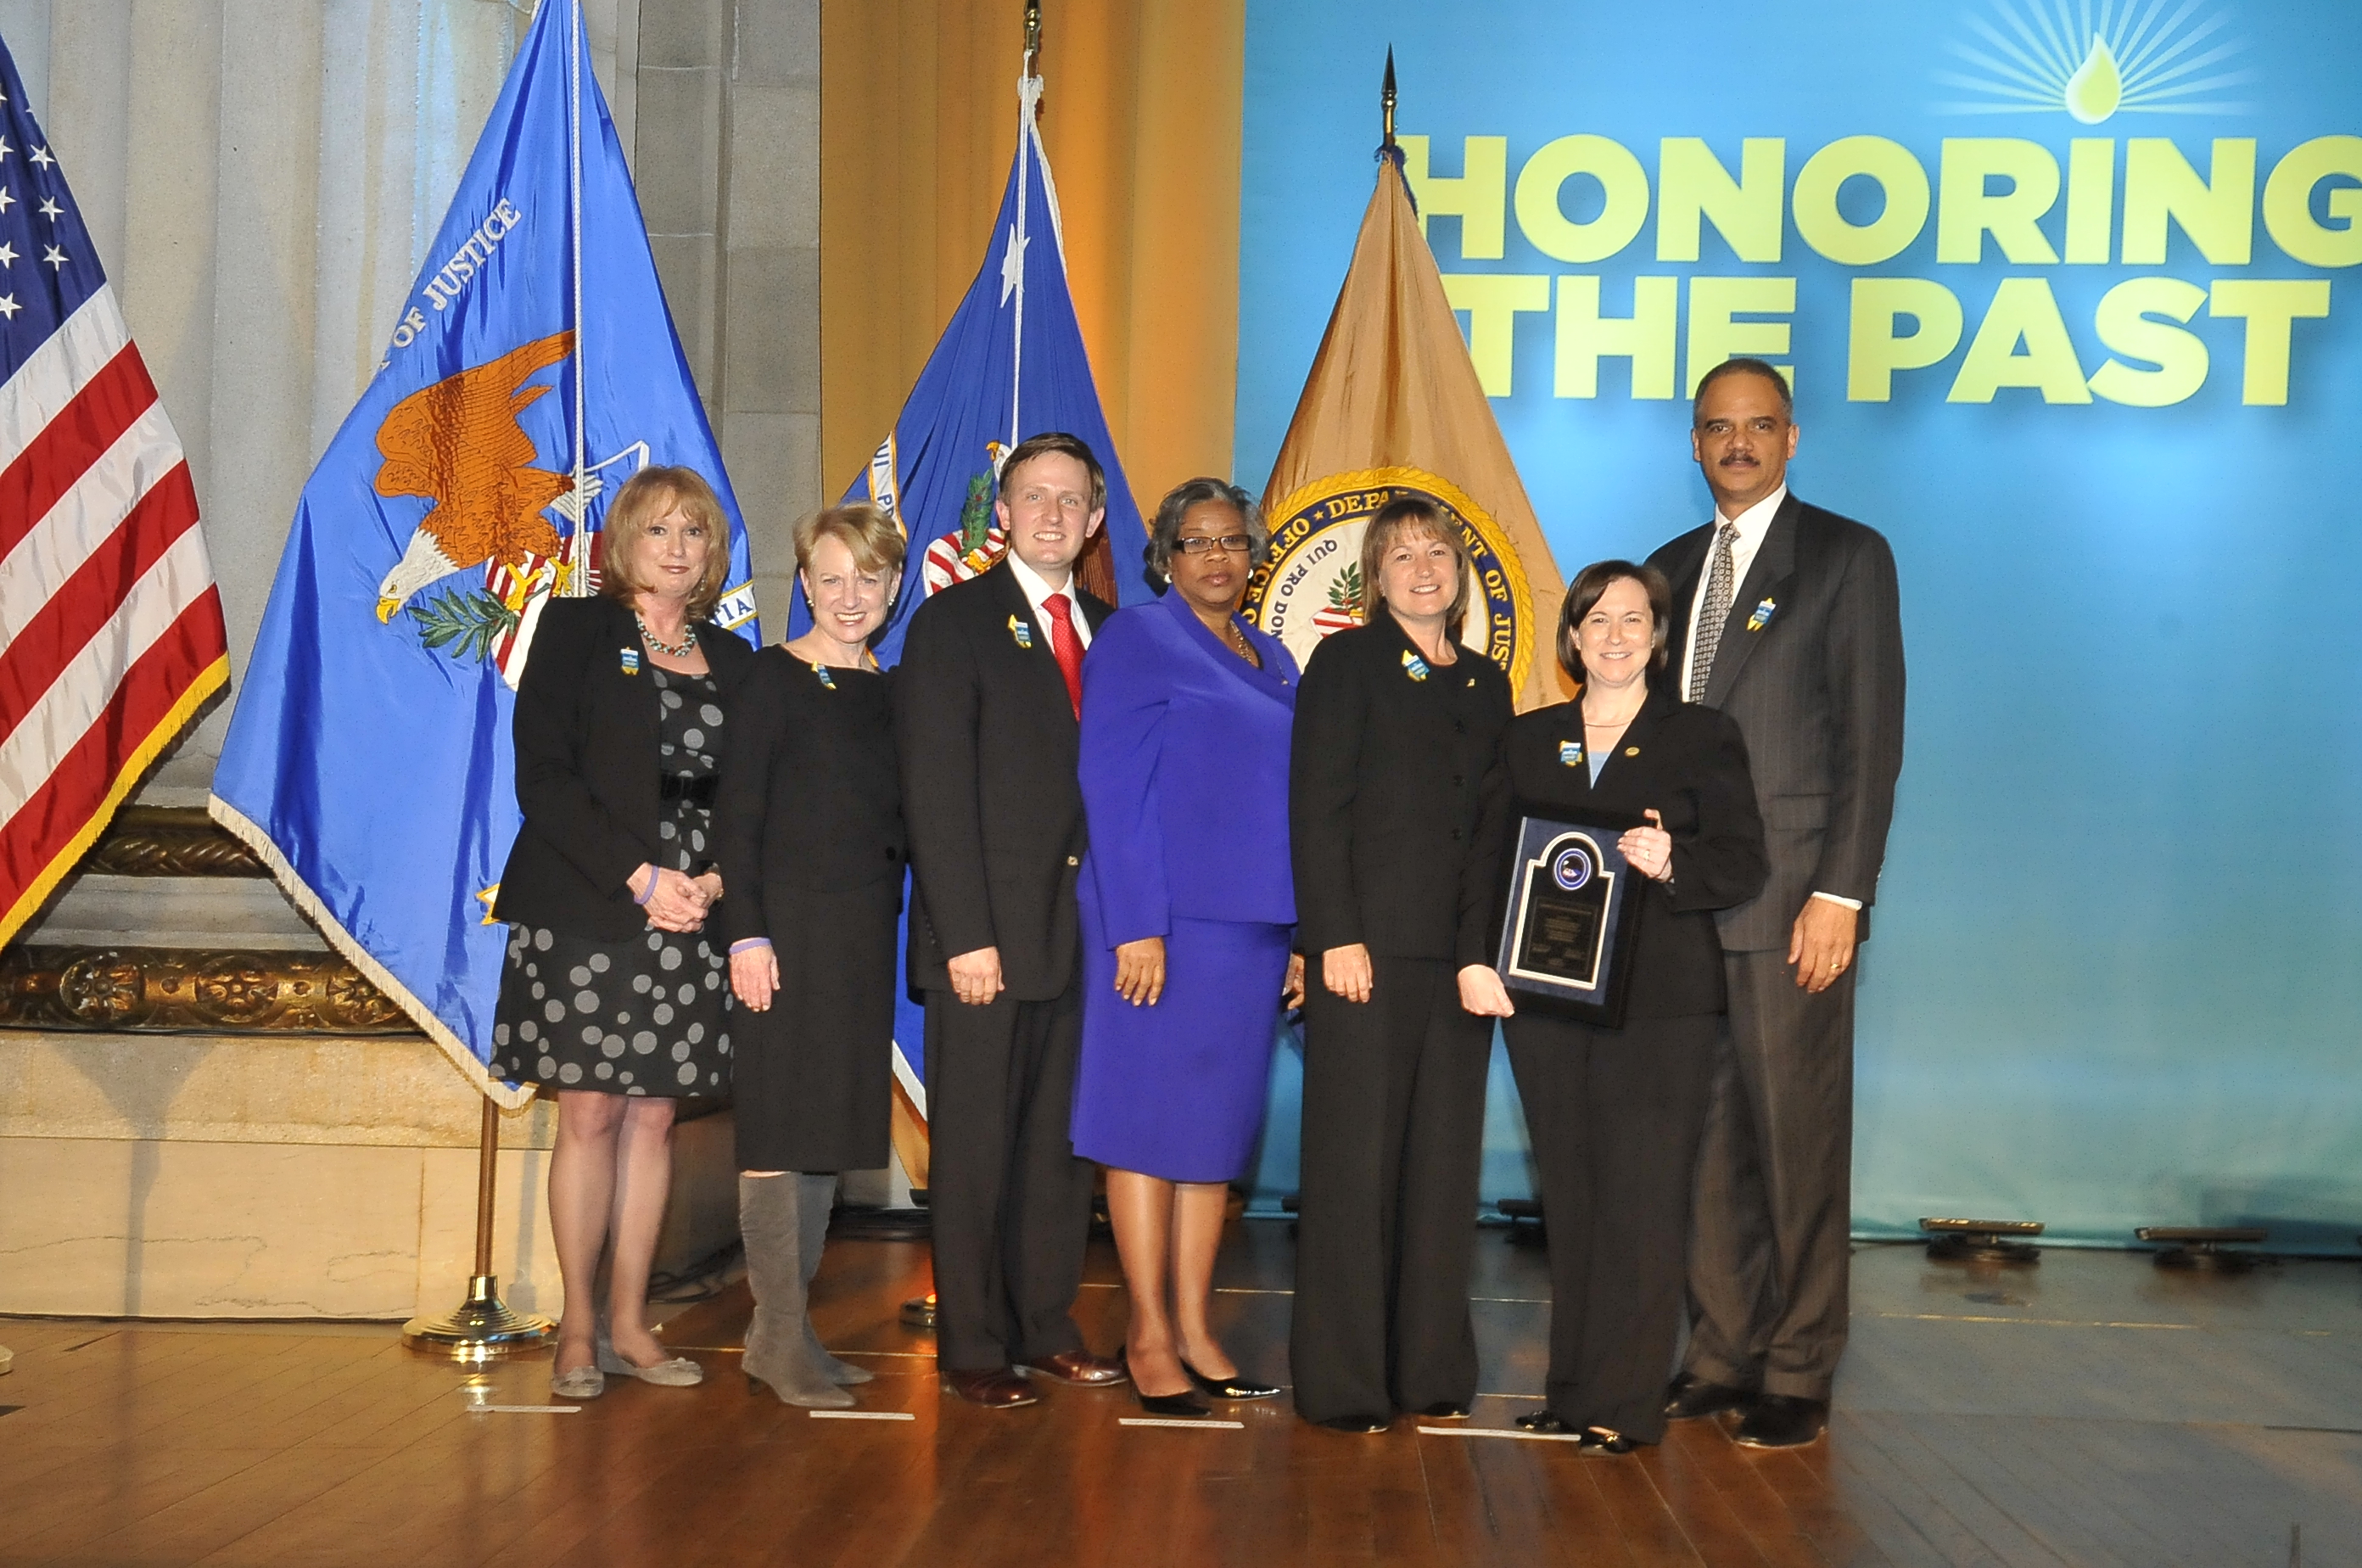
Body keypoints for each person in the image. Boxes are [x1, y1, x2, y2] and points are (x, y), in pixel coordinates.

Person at [1648, 357, 1906, 1449]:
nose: (1739, 444)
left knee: (1796, 1144)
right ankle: (1720, 1351)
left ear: (1792, 439)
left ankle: (1798, 1365)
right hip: (1678, 908)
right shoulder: (1666, 570)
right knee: (1702, 1146)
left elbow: (1870, 740)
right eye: (1719, 427)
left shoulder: (1845, 557)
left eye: (1759, 426)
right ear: (1695, 444)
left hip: (1793, 903)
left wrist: (1840, 892)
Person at [1461, 561, 1766, 1453]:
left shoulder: (1702, 736)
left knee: (1641, 1202)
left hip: (1662, 1010)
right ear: (1573, 636)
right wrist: (1474, 958)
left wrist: (1676, 863)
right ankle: (1570, 1390)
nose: (1616, 635)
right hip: (1547, 1005)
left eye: (1634, 619)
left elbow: (1743, 860)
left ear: (1658, 637)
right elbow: (1486, 857)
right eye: (1598, 619)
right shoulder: (1529, 738)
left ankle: (1624, 1404)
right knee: (1573, 1198)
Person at [490, 466, 757, 1400]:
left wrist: (713, 880)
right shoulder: (574, 631)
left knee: (654, 1120)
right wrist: (641, 877)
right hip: (591, 904)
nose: (677, 547)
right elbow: (542, 776)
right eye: (658, 529)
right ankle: (577, 1328)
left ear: (713, 552)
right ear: (623, 544)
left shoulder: (736, 658)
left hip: (693, 912)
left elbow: (754, 794)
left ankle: (634, 1324)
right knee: (591, 1114)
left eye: (695, 531)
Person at [895, 431, 1129, 1408]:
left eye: (1071, 500)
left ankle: (1045, 1326)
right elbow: (934, 794)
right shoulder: (952, 624)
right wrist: (965, 937)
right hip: (984, 944)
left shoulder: (1118, 634)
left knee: (1058, 1152)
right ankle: (973, 1345)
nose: (1052, 515)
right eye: (1034, 496)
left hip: (1084, 941)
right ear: (1002, 513)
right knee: (978, 1148)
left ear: (1096, 519)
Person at [1072, 478, 1307, 1419]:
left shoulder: (1273, 653)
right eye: (1197, 541)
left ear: (1253, 557)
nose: (1217, 556)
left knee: (1212, 1136)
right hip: (1158, 930)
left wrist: (1298, 934)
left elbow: (1289, 804)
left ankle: (1198, 1329)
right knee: (1142, 1125)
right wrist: (1137, 923)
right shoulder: (1137, 639)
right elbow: (1111, 785)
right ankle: (1147, 1334)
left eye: (1232, 541)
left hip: (1252, 935)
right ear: (1165, 557)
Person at [1287, 496, 1514, 1434]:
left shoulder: (1487, 683)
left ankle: (1430, 1369)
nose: (1424, 570)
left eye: (1438, 553)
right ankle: (1344, 1383)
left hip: (1456, 967)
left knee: (1441, 1169)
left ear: (1461, 571)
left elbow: (1493, 833)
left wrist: (1478, 953)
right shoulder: (1346, 664)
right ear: (1375, 579)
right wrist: (1333, 936)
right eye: (1402, 557)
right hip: (1365, 959)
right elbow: (1316, 808)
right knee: (1354, 1169)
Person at [714, 503, 907, 1408]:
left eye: (867, 578)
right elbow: (736, 819)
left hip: (861, 938)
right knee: (779, 1128)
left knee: (827, 1131)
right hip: (782, 937)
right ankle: (779, 1335)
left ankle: (785, 1334)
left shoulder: (893, 693)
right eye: (830, 578)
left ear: (894, 585)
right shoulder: (769, 678)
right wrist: (746, 934)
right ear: (804, 585)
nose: (849, 595)